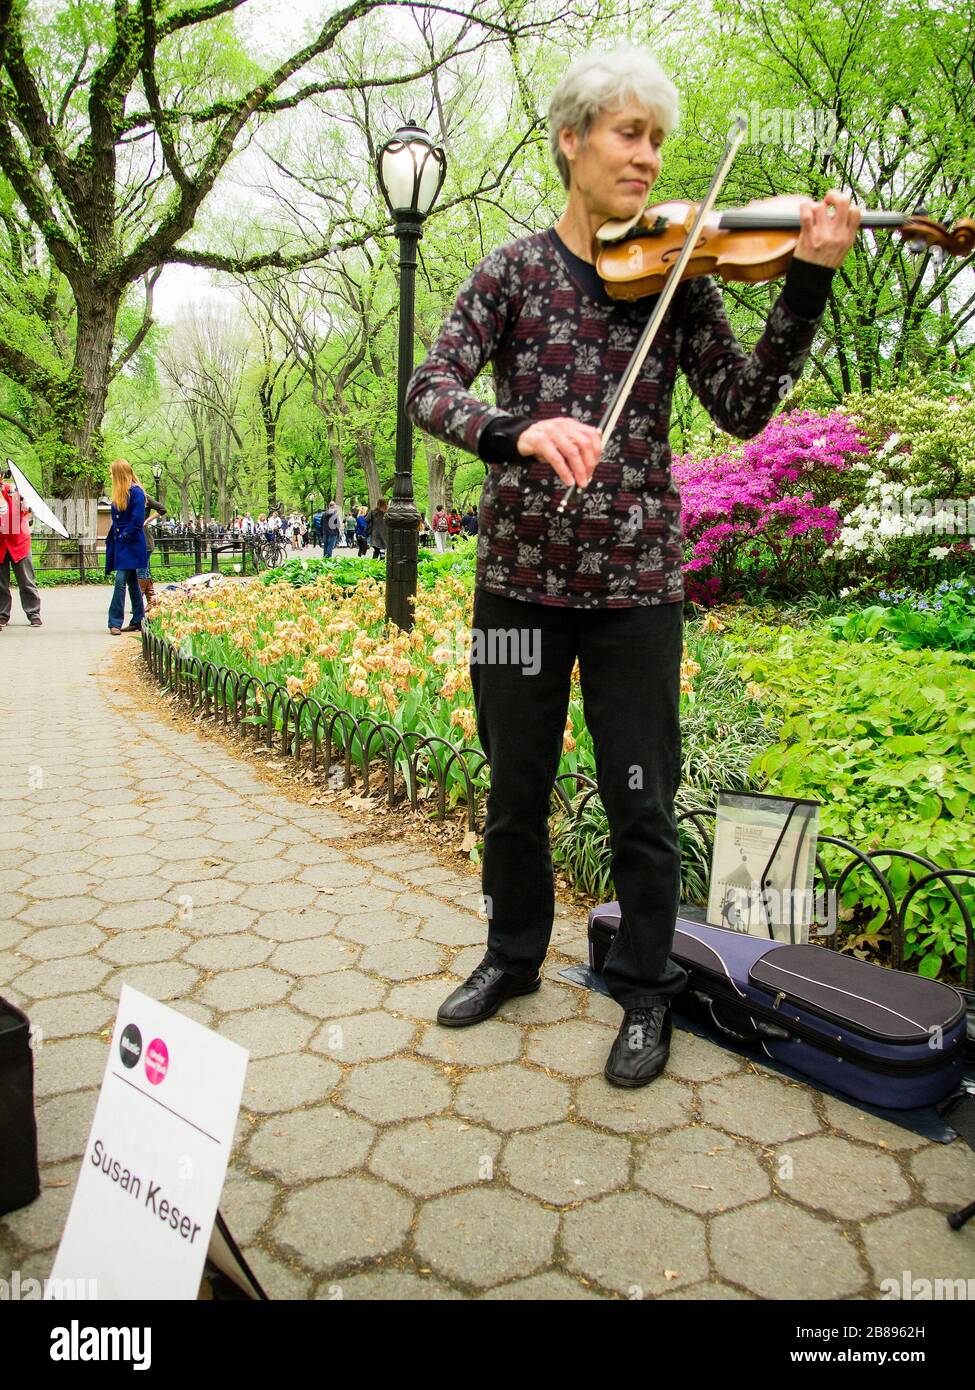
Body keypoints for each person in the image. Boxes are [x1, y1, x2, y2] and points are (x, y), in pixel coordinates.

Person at [406, 44, 858, 1087]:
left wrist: (809, 282)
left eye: (657, 139)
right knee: (515, 788)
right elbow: (430, 387)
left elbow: (744, 409)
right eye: (627, 133)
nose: (648, 158)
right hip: (518, 580)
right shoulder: (512, 273)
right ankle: (512, 956)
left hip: (634, 589)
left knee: (641, 795)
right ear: (571, 142)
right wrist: (515, 429)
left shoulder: (685, 278)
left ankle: (647, 989)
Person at [105, 459, 150, 634]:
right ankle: (139, 619)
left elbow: (137, 521)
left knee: (120, 580)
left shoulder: (136, 492)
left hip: (130, 542)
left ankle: (114, 621)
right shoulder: (120, 493)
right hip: (122, 541)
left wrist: (123, 536)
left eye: (112, 473)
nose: (110, 476)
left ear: (119, 475)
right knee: (132, 582)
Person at [0, 473, 42, 629]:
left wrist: (25, 502)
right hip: (0, 544)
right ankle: (2, 614)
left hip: (18, 542)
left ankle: (33, 613)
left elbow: (27, 509)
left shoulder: (12, 490)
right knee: (1, 583)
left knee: (26, 581)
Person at [138, 491, 168, 615]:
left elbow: (162, 509)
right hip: (138, 541)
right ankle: (152, 601)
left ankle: (139, 602)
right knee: (145, 571)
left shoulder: (145, 498)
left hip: (145, 542)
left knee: (141, 571)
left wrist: (147, 520)